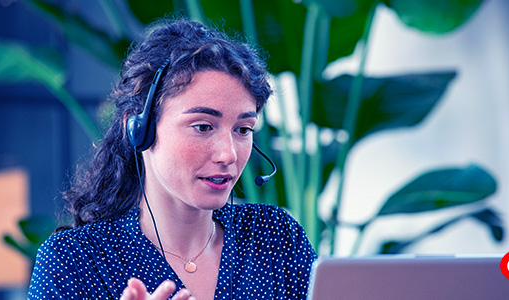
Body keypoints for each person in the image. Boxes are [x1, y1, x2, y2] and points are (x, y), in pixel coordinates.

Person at [28, 19, 317, 300]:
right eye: (203, 127)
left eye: (243, 129)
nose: (228, 154)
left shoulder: (276, 239)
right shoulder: (74, 262)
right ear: (140, 129)